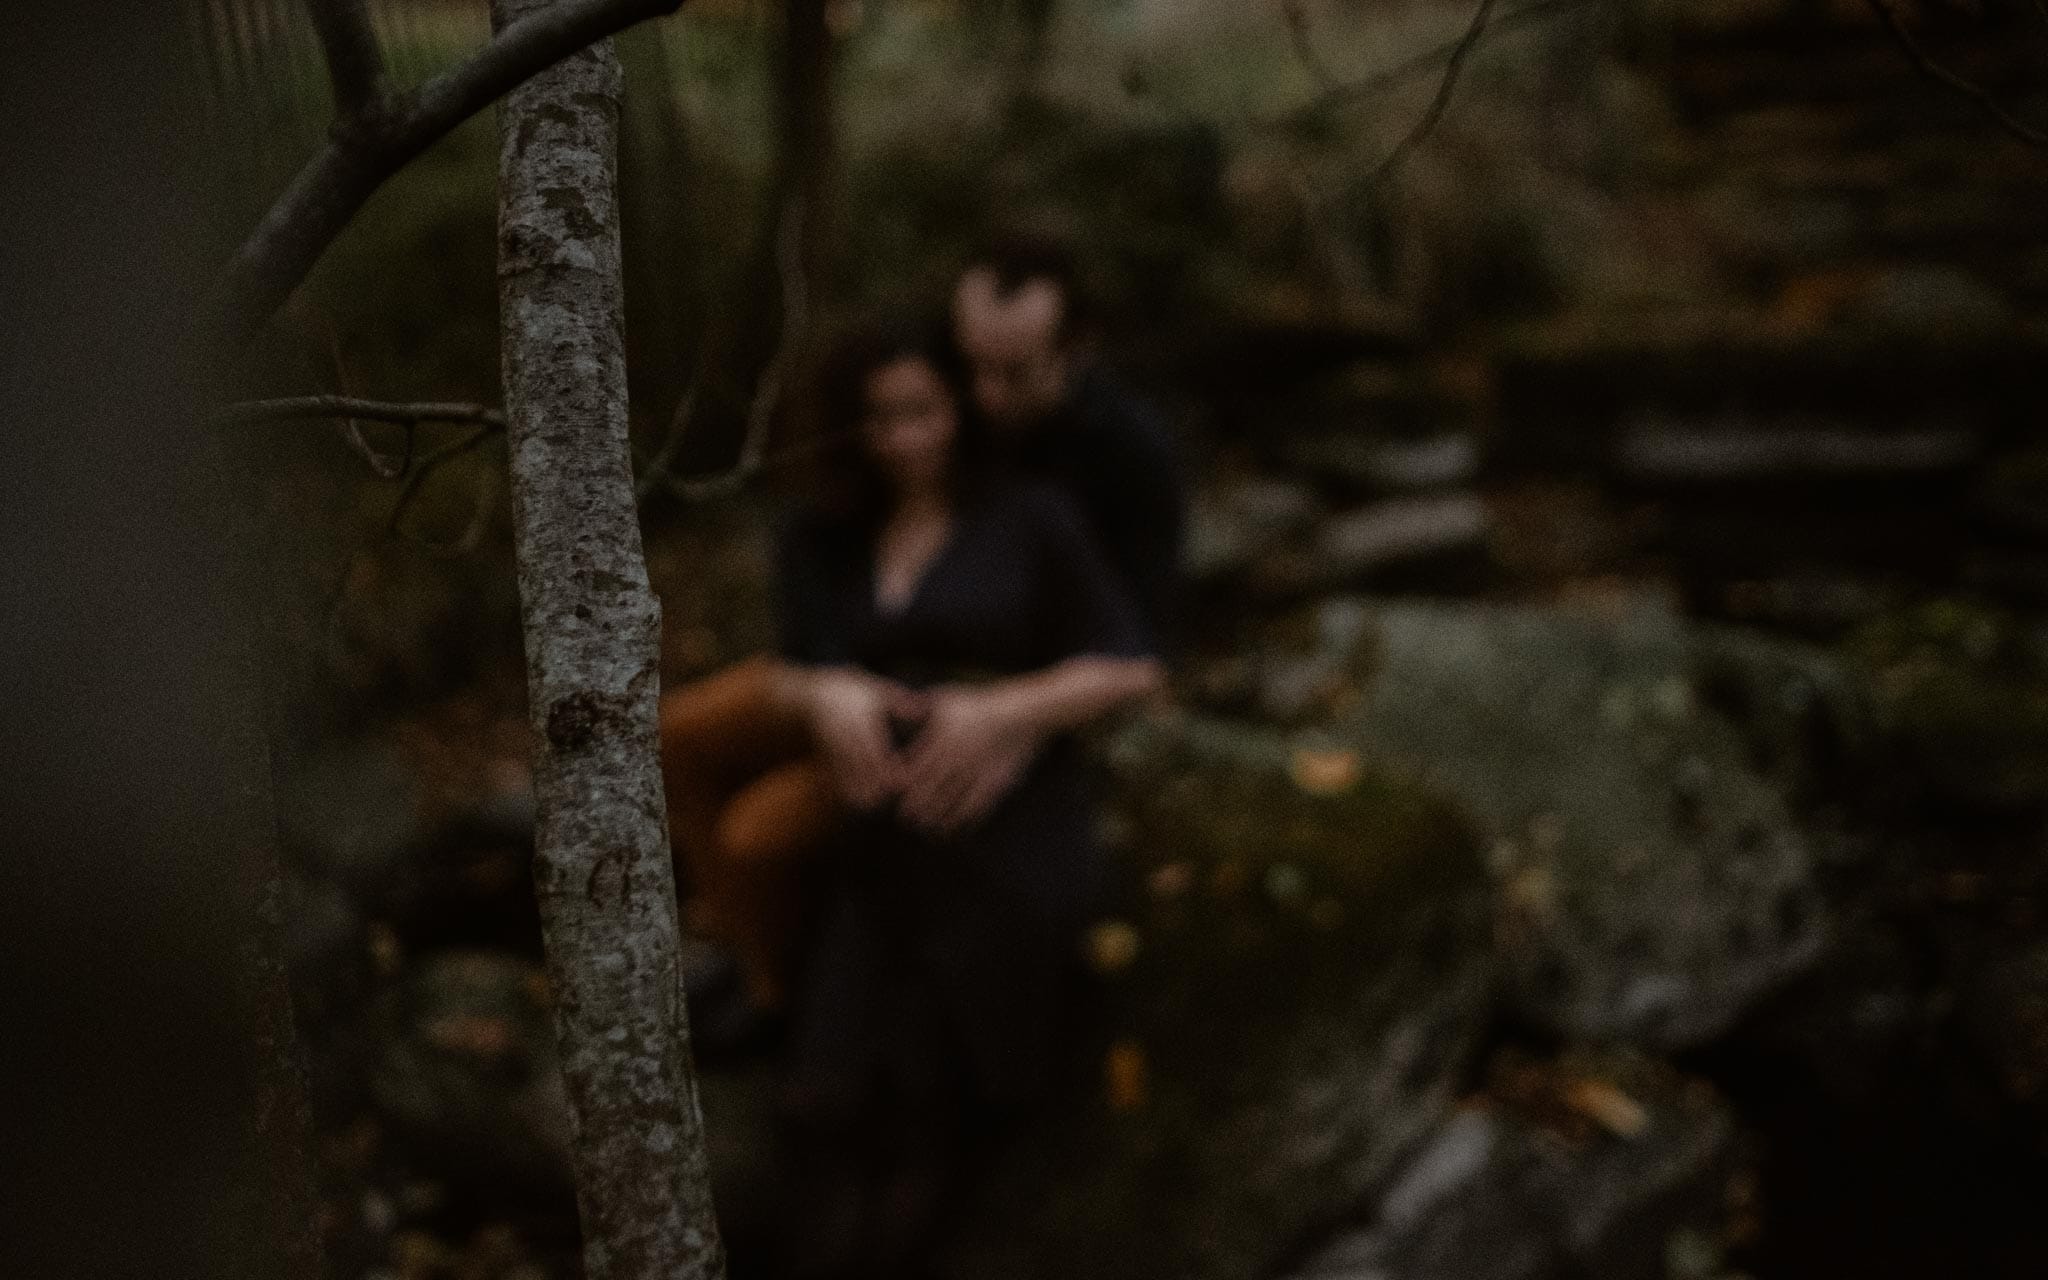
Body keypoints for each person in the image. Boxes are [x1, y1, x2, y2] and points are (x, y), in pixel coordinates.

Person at [658, 233, 1184, 1030]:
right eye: (971, 366)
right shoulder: (918, 423)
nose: (987, 395)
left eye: (1015, 373)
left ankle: (782, 993)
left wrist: (1012, 717)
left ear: (1075, 350)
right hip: (861, 657)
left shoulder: (1123, 460)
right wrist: (825, 686)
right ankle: (751, 953)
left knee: (760, 831)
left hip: (985, 687)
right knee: (678, 734)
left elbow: (1138, 649)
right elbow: (823, 575)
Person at [765, 315, 1163, 1276]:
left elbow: (1130, 666)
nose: (904, 439)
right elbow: (786, 667)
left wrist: (1009, 714)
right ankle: (839, 1140)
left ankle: (938, 1151)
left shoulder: (1032, 516)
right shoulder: (824, 536)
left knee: (970, 975)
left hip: (1004, 793)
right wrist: (825, 692)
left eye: (923, 411)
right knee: (849, 988)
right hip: (877, 814)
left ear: (962, 408)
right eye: (879, 418)